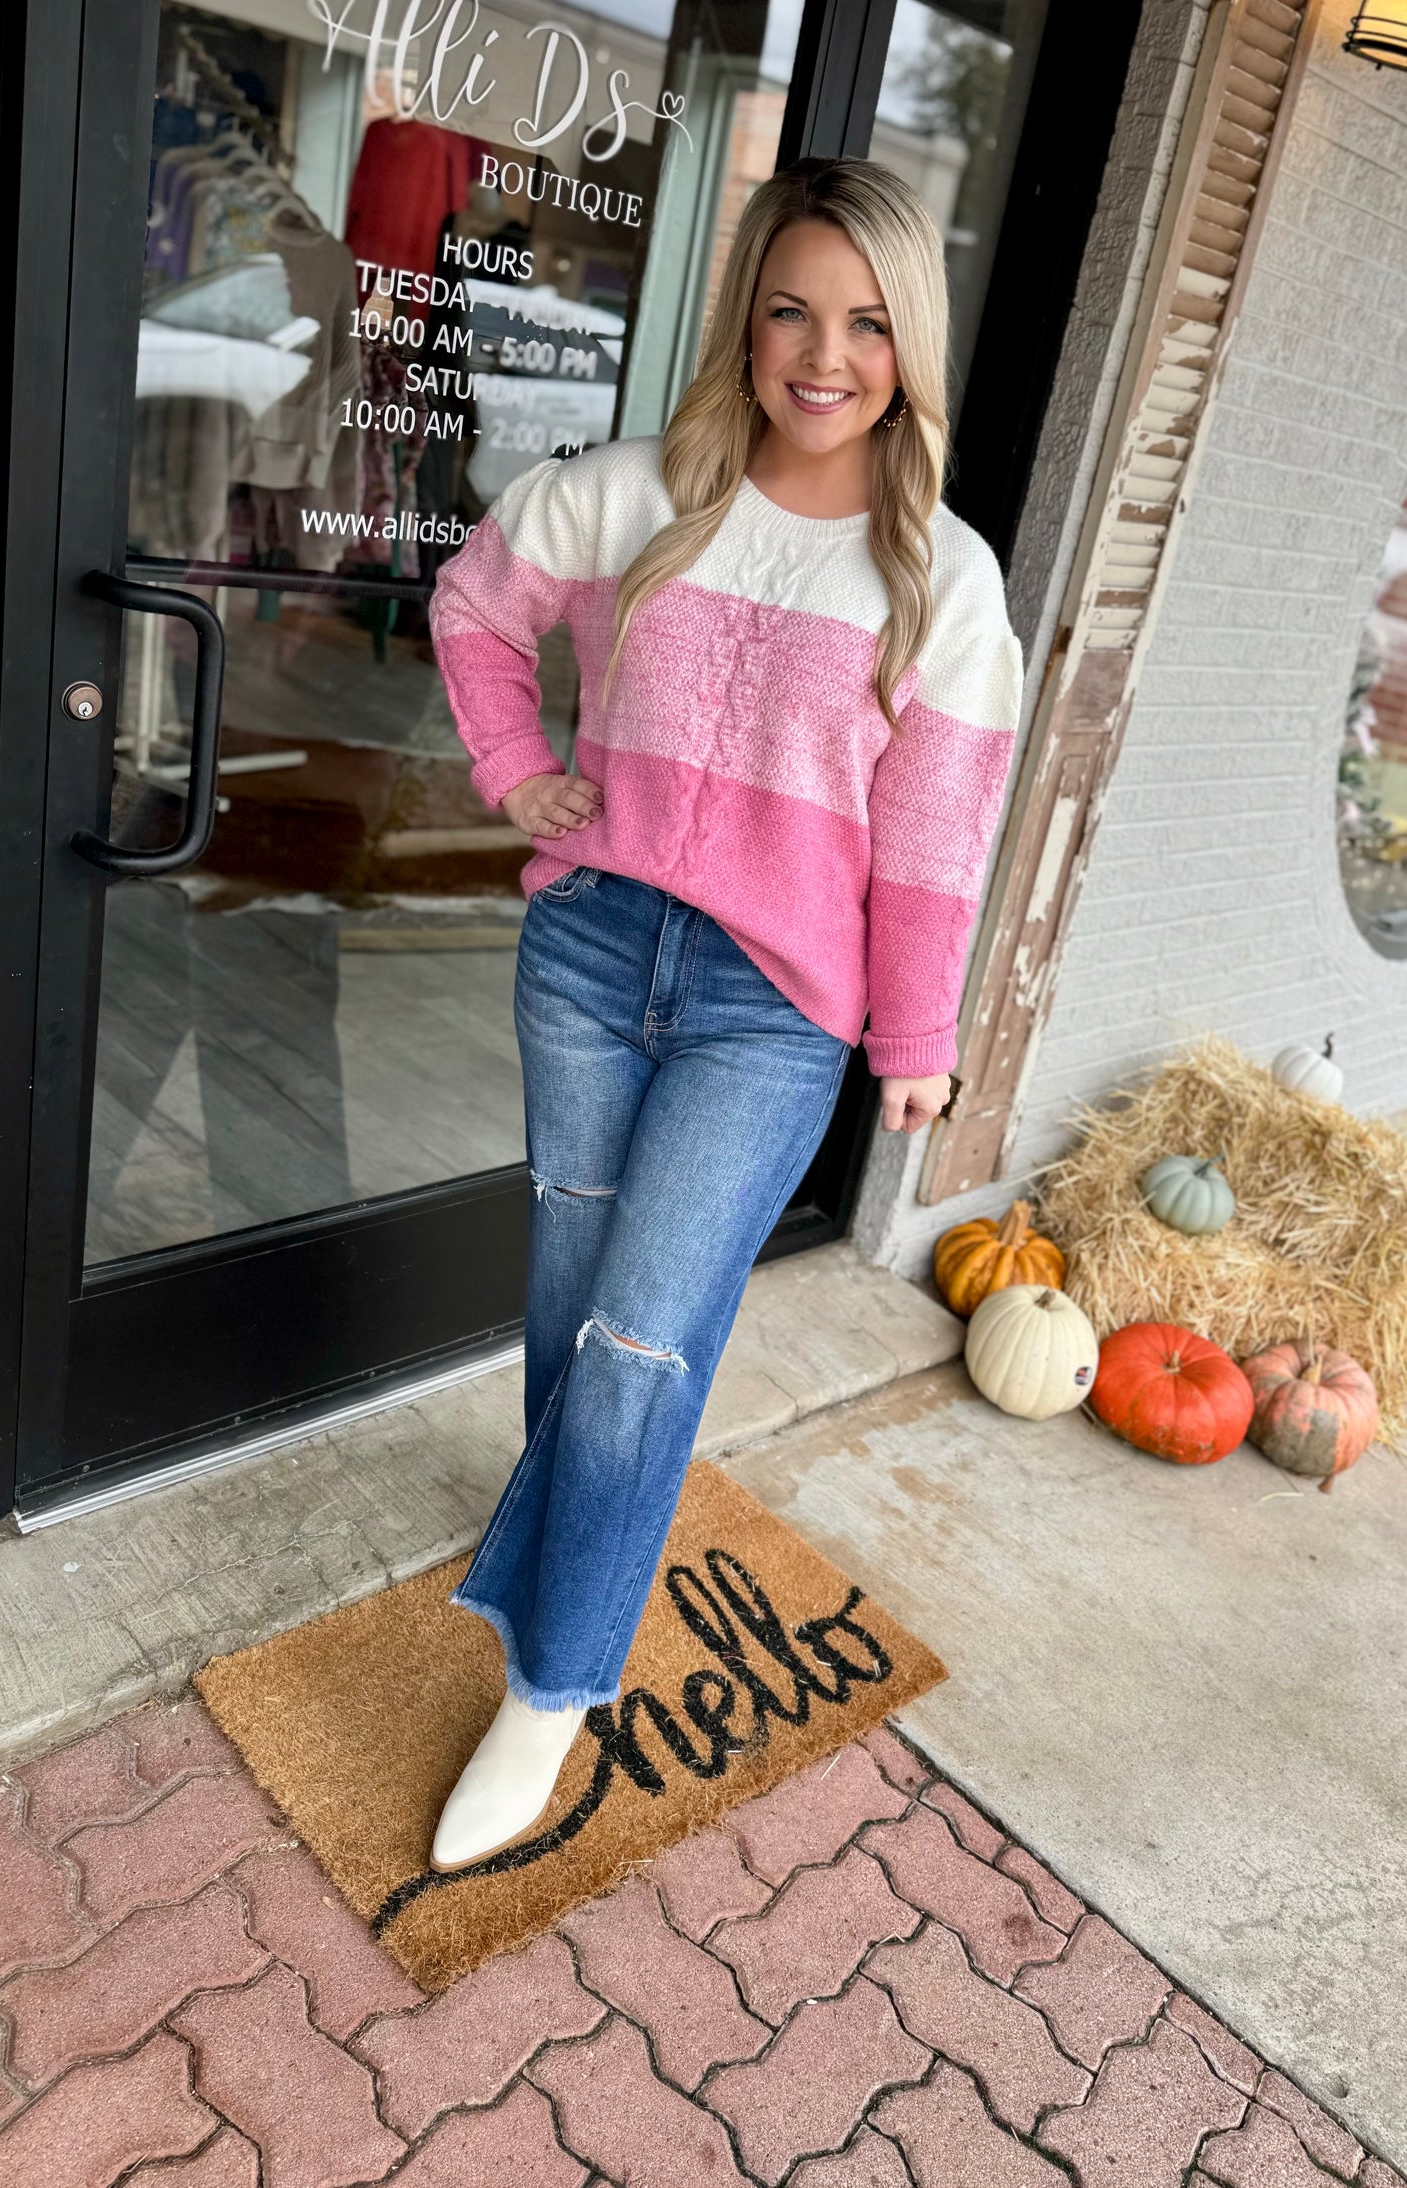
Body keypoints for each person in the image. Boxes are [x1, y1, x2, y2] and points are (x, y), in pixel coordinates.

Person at [426, 155, 1024, 1870]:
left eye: (863, 321)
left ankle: (550, 1683)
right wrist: (517, 770)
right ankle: (578, 1563)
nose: (821, 354)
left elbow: (931, 847)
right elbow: (475, 607)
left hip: (771, 1009)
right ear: (745, 321)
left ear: (906, 344)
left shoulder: (943, 581)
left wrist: (914, 1039)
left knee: (638, 1340)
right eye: (789, 308)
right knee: (572, 1307)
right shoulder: (636, 493)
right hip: (594, 955)